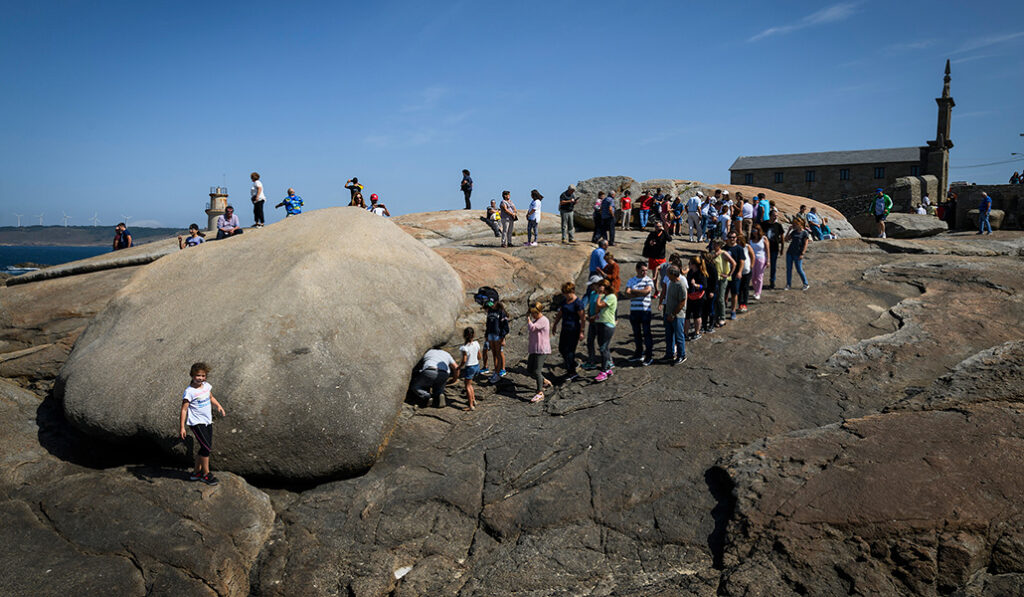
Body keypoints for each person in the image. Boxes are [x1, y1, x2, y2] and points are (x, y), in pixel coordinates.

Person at [179, 362, 226, 486]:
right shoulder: (189, 392)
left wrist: (218, 405)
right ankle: (206, 474)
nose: (200, 378)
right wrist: (182, 427)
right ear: (192, 376)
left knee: (205, 447)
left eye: (203, 376)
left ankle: (196, 473)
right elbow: (184, 409)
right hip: (196, 422)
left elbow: (211, 397)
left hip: (207, 420)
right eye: (198, 375)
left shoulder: (206, 386)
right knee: (206, 448)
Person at [551, 282, 585, 381]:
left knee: (570, 351)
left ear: (572, 291)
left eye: (567, 293)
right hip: (565, 328)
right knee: (562, 348)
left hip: (574, 329)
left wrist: (581, 332)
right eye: (564, 293)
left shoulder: (578, 303)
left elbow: (582, 318)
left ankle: (571, 372)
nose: (565, 295)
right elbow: (560, 313)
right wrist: (555, 324)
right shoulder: (565, 301)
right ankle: (573, 364)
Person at [624, 262, 655, 366]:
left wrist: (633, 291)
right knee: (636, 334)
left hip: (645, 310)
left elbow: (647, 292)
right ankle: (638, 353)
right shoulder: (631, 280)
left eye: (646, 270)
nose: (645, 272)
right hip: (634, 310)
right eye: (642, 270)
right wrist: (638, 292)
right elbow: (626, 293)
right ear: (637, 270)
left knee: (647, 334)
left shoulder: (648, 280)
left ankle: (649, 356)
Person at [526, 302, 553, 403]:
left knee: (537, 371)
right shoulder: (537, 320)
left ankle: (540, 392)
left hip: (541, 350)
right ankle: (544, 381)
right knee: (530, 370)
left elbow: (532, 328)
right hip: (534, 349)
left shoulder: (543, 320)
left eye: (534, 313)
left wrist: (528, 320)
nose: (532, 315)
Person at [661, 265, 687, 365]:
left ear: (672, 274)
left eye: (668, 273)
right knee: (669, 336)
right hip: (669, 313)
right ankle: (669, 354)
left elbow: (682, 301)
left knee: (679, 336)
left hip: (677, 315)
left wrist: (673, 314)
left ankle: (681, 355)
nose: (666, 275)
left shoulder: (681, 284)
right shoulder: (671, 282)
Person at [593, 280, 618, 382]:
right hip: (601, 322)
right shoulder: (604, 297)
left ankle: (604, 370)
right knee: (604, 347)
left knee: (603, 347)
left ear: (605, 287)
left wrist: (598, 295)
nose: (599, 288)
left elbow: (599, 305)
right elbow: (596, 309)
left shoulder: (611, 297)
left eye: (601, 286)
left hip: (607, 324)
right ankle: (607, 368)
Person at [711, 240, 736, 328]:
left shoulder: (724, 254)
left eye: (716, 244)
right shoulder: (713, 254)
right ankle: (716, 317)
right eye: (713, 244)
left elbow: (734, 263)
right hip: (715, 279)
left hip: (722, 279)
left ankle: (722, 317)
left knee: (721, 299)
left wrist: (728, 274)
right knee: (716, 299)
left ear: (720, 245)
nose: (714, 245)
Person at [581, 275, 603, 370]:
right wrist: (588, 314)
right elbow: (591, 306)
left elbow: (603, 309)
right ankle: (591, 360)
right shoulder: (593, 293)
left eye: (592, 285)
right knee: (590, 341)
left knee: (602, 343)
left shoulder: (603, 295)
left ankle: (608, 361)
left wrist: (594, 316)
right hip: (592, 321)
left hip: (600, 321)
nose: (590, 287)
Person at [485, 301, 510, 383]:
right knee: (494, 354)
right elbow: (488, 324)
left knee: (499, 354)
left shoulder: (501, 312)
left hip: (498, 335)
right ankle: (496, 372)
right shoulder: (490, 311)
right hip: (491, 334)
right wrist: (486, 335)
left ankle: (499, 373)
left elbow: (505, 327)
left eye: (491, 303)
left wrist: (502, 337)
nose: (490, 305)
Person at [784, 218, 811, 291]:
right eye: (793, 224)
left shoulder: (805, 233)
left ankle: (806, 283)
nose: (794, 225)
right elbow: (786, 239)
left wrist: (802, 253)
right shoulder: (794, 232)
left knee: (799, 269)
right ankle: (788, 284)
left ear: (800, 224)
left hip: (798, 253)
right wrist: (789, 230)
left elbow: (805, 244)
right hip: (790, 252)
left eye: (795, 224)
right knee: (789, 269)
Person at [725, 231, 746, 320]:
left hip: (735, 274)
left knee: (734, 293)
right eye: (730, 237)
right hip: (725, 273)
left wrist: (740, 272)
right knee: (724, 292)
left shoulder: (739, 249)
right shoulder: (724, 248)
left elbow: (742, 261)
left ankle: (733, 310)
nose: (732, 239)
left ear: (736, 238)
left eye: (733, 237)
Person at [685, 256, 707, 340]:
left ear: (694, 264)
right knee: (687, 316)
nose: (689, 264)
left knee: (696, 316)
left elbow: (704, 286)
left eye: (690, 263)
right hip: (690, 296)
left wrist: (695, 285)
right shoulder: (690, 272)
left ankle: (697, 332)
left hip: (699, 298)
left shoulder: (701, 273)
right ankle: (685, 333)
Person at [458, 328, 481, 411]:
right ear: (473, 335)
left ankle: (470, 405)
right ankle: (473, 400)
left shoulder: (464, 347)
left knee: (467, 385)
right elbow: (480, 357)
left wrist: (459, 367)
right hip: (476, 366)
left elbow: (464, 360)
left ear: (464, 336)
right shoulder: (476, 344)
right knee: (470, 385)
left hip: (470, 367)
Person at [763, 212, 785, 289]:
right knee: (762, 265)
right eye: (774, 216)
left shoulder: (778, 225)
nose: (775, 217)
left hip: (774, 248)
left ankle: (772, 281)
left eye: (776, 216)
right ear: (769, 216)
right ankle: (759, 281)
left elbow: (782, 237)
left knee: (773, 266)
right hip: (764, 248)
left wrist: (782, 248)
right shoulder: (764, 224)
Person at [699, 250, 718, 334]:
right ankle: (704, 325)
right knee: (704, 309)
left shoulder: (712, 267)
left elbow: (715, 281)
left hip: (711, 290)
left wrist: (712, 291)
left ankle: (711, 325)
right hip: (705, 290)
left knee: (711, 308)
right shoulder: (702, 267)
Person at [748, 225, 769, 301]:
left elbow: (767, 249)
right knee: (753, 277)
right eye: (752, 231)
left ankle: (758, 292)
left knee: (759, 276)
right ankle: (755, 290)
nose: (754, 232)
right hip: (752, 259)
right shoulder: (750, 240)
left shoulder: (763, 238)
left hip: (761, 258)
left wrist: (768, 260)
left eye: (755, 231)